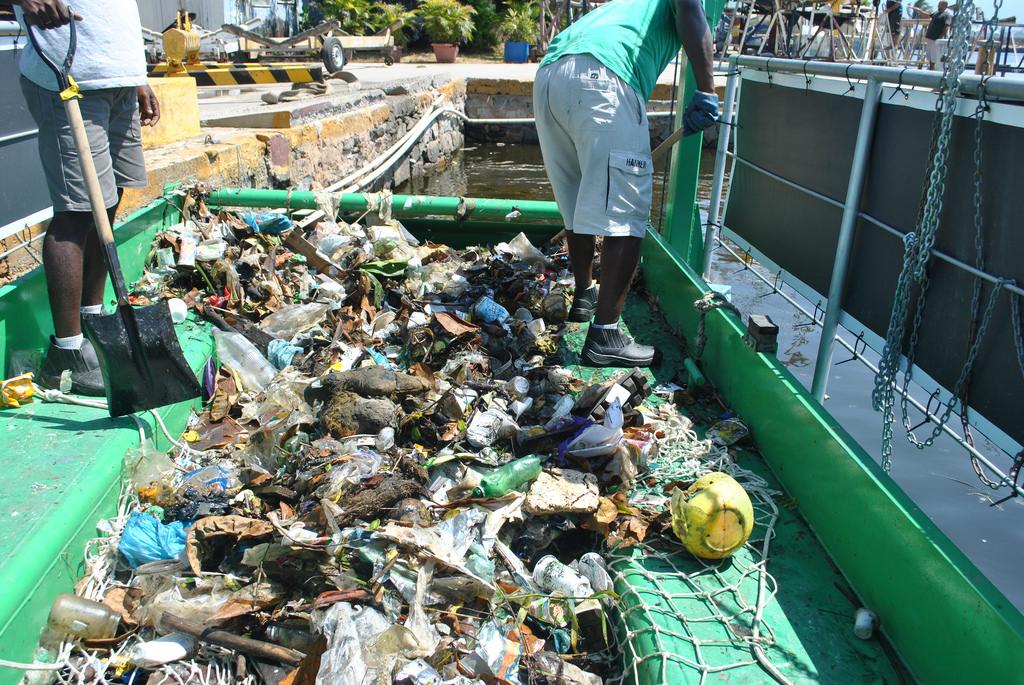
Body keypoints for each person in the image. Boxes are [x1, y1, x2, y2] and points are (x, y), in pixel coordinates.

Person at [533, 0, 718, 368]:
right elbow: (690, 9)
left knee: (576, 197)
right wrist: (707, 89)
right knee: (627, 213)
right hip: (603, 77)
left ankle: (584, 294)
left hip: (552, 73)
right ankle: (605, 335)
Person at [12, 0, 159, 395]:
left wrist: (136, 73)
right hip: (66, 76)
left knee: (106, 204)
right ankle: (68, 353)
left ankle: (94, 323)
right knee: (75, 213)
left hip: (119, 78)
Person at [923, 1, 954, 70]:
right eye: (938, 4)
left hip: (936, 38)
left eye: (940, 5)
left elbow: (946, 27)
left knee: (934, 57)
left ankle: (932, 70)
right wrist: (919, 10)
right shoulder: (936, 13)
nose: (938, 6)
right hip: (930, 37)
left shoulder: (946, 15)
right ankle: (930, 69)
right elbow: (928, 15)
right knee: (930, 56)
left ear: (945, 6)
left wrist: (940, 37)